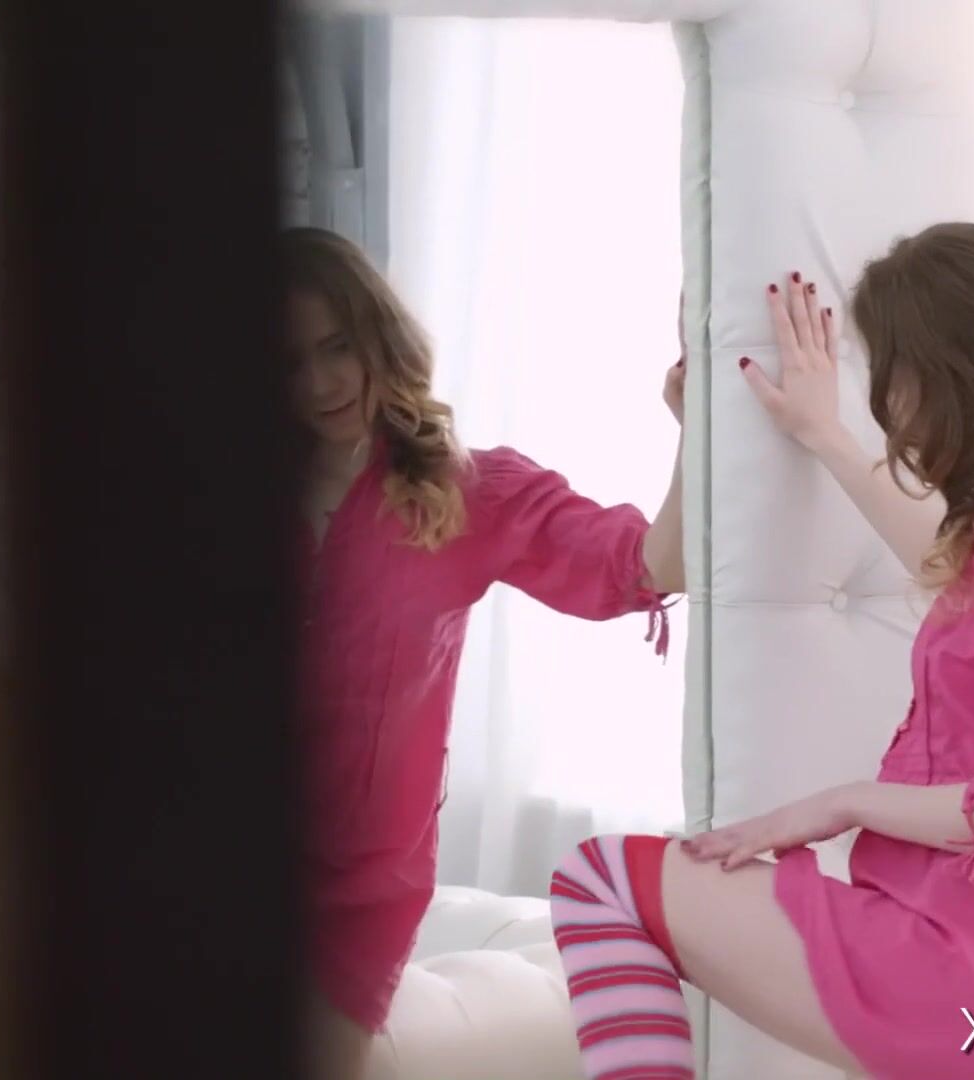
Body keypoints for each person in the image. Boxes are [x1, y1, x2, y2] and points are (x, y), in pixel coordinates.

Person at [548, 223, 974, 1079]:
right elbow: (951, 573)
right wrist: (823, 433)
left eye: (894, 373)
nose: (891, 405)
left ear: (958, 371)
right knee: (604, 880)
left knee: (600, 882)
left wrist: (842, 804)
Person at [279, 226, 689, 1078]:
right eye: (290, 361)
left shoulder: (467, 493)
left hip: (358, 888)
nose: (320, 384)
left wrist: (699, 428)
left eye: (339, 347)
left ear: (380, 337)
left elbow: (648, 566)